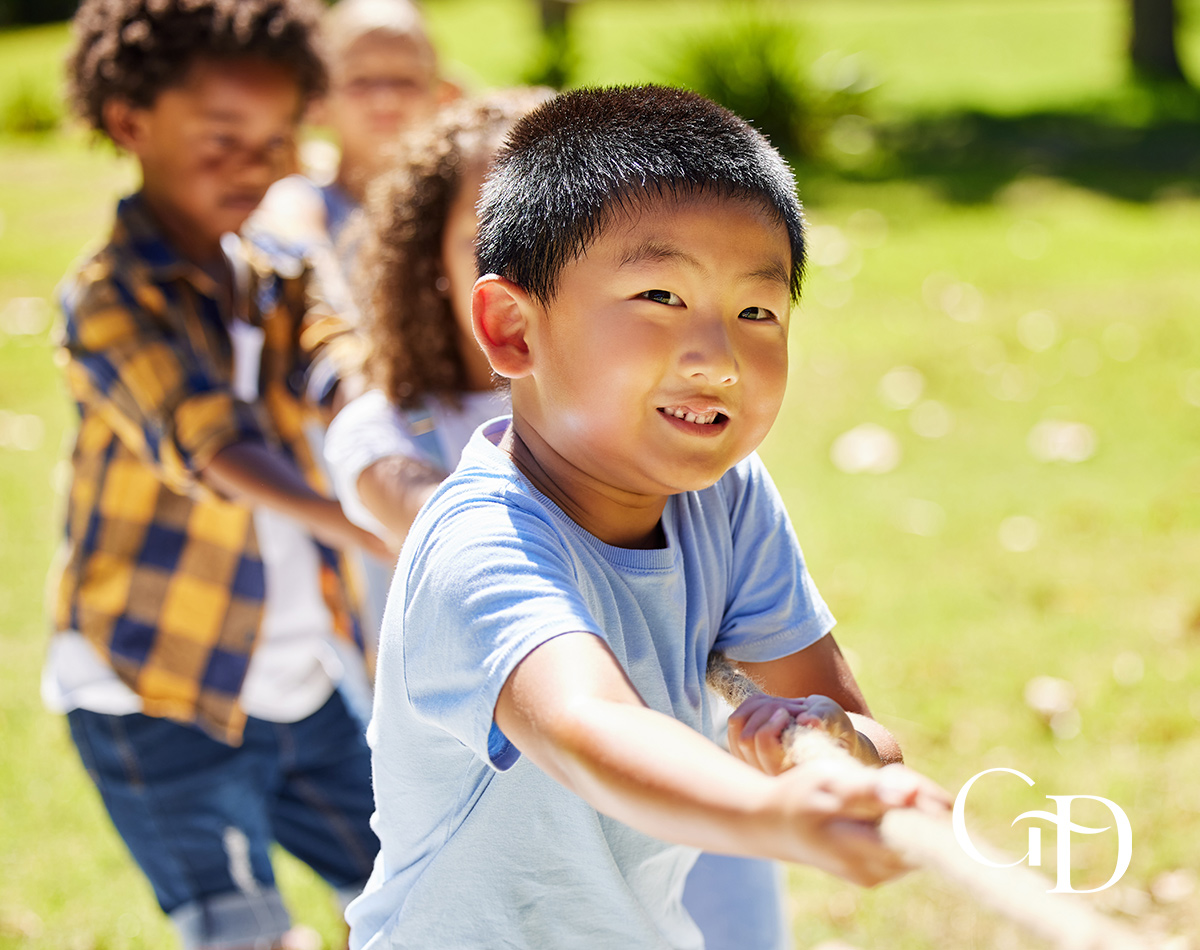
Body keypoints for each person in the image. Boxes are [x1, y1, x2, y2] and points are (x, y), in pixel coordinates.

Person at [346, 85, 950, 950]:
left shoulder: (726, 500)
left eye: (757, 311)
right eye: (660, 297)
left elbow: (848, 724)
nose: (717, 358)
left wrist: (847, 765)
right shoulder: (480, 540)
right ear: (513, 328)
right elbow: (592, 729)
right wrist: (775, 813)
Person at [44, 2, 391, 947]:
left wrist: (379, 424)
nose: (255, 162)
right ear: (129, 124)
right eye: (223, 137)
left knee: (413, 884)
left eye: (277, 139)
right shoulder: (109, 295)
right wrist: (355, 522)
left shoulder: (280, 270)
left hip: (299, 681)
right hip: (156, 689)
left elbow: (339, 354)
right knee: (240, 928)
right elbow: (211, 444)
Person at [255, 0, 457, 278]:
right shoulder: (299, 204)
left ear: (444, 99)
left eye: (406, 80)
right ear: (316, 103)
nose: (385, 99)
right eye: (359, 80)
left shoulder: (460, 211)